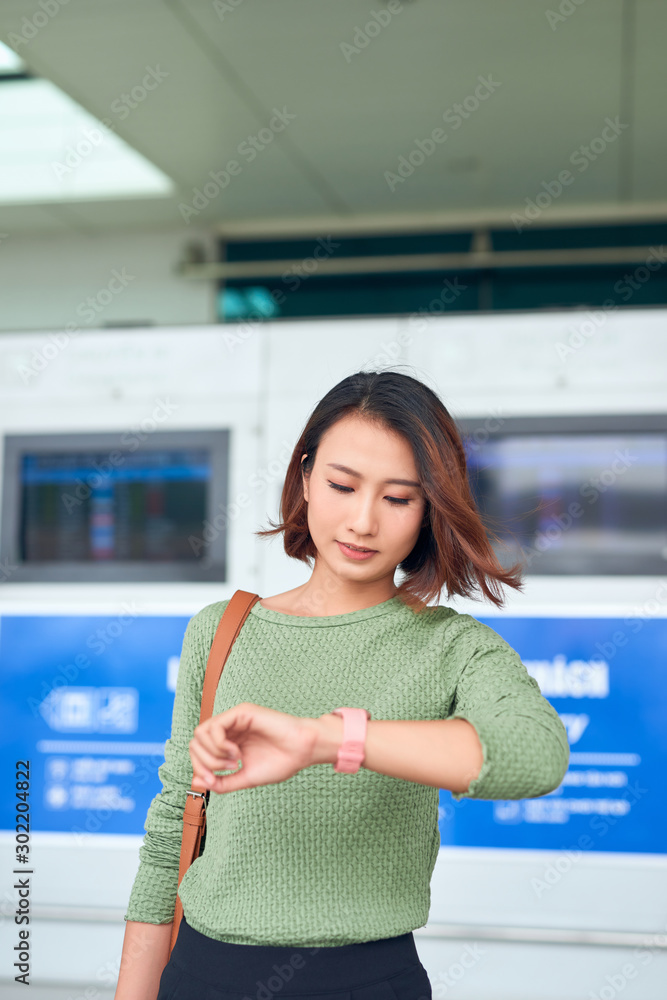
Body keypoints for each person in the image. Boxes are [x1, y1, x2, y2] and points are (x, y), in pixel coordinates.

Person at [115, 369, 570, 1000]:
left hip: (363, 982)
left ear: (429, 508)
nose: (362, 521)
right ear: (304, 477)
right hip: (200, 974)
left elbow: (537, 755)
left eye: (398, 498)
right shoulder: (221, 631)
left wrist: (328, 740)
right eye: (341, 485)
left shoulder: (451, 645)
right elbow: (172, 832)